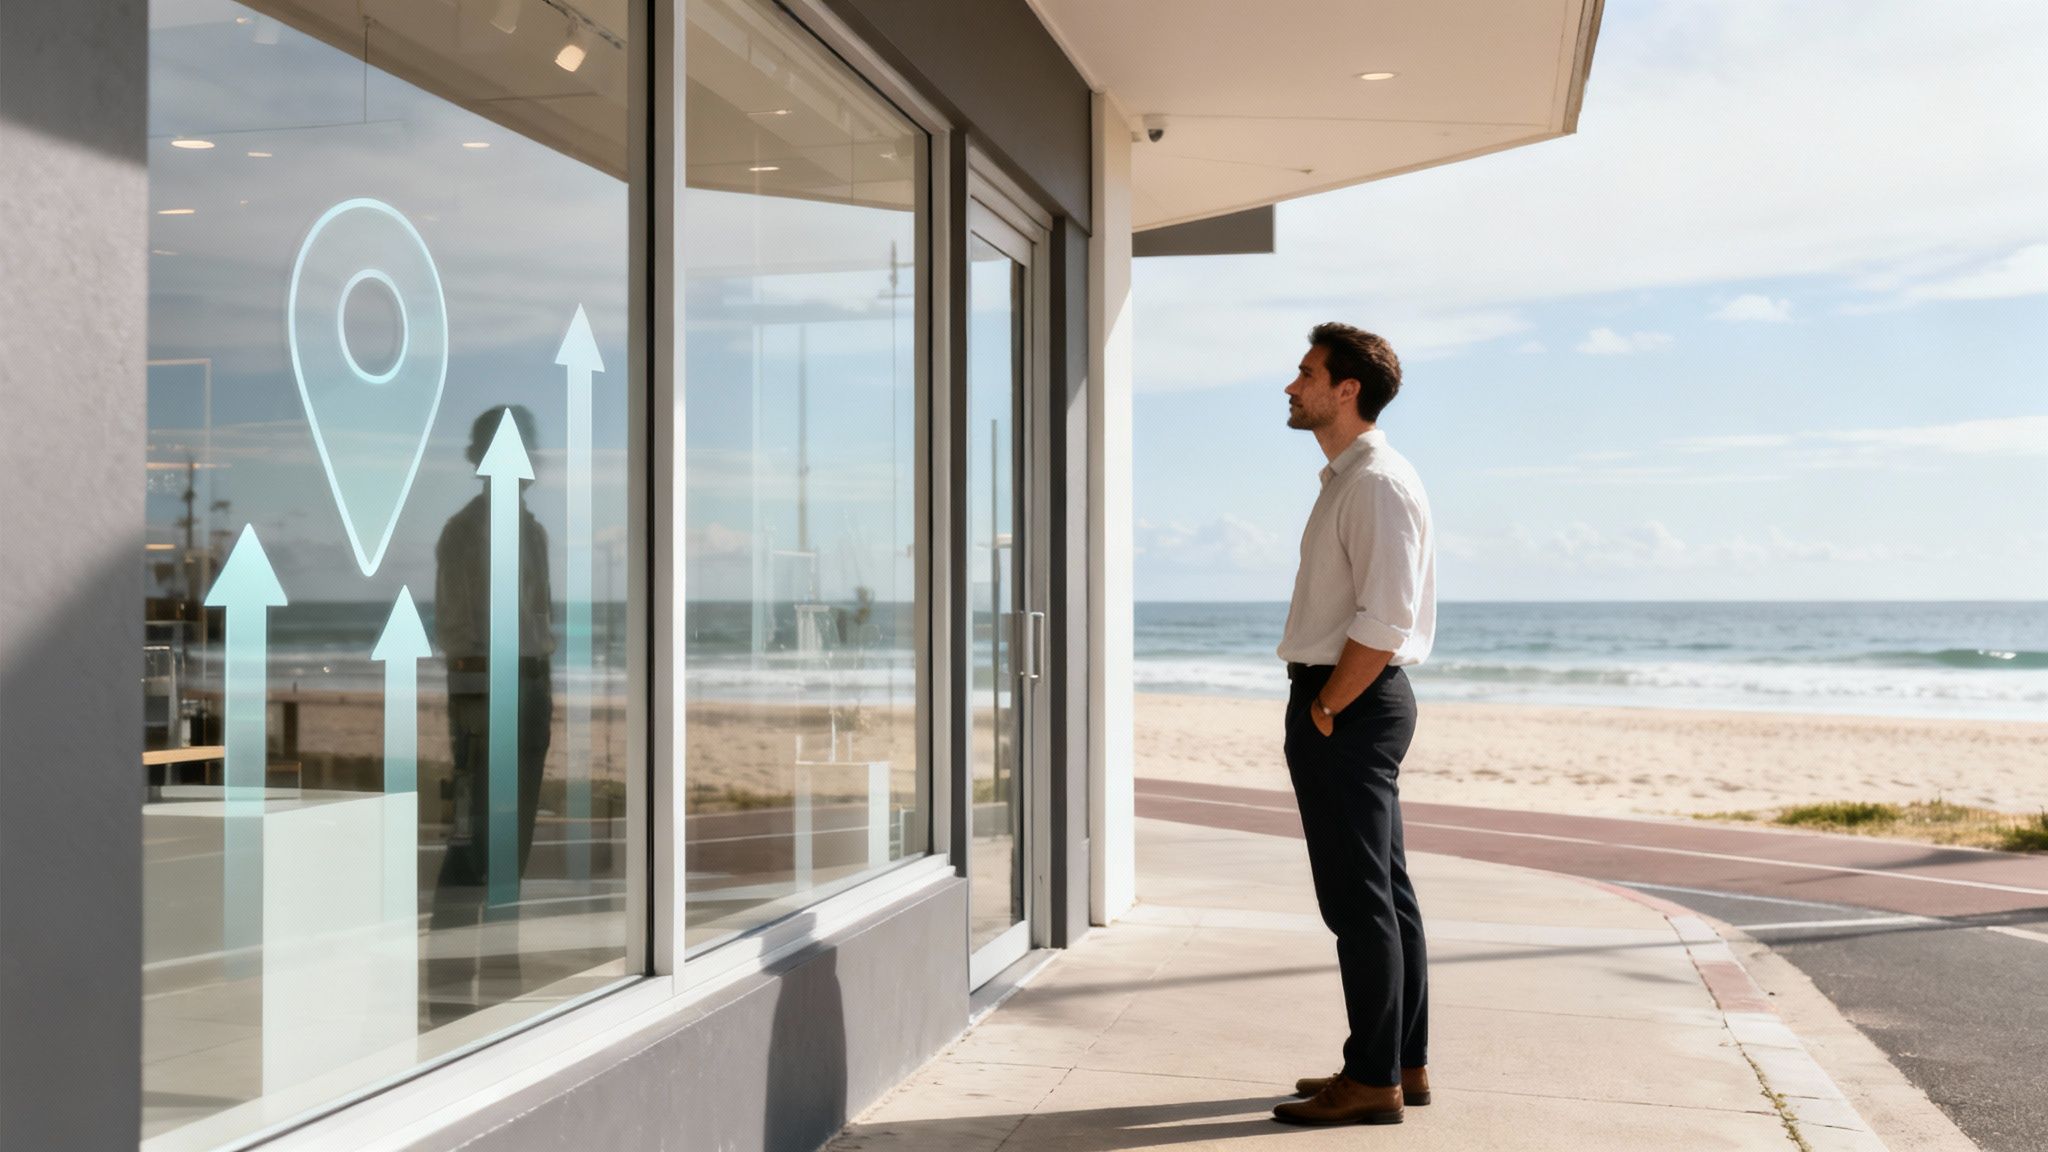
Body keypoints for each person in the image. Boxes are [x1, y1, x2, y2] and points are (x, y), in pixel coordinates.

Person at [1270, 323, 1437, 1126]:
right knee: (1385, 894)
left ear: (1348, 390)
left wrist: (1329, 704)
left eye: (1306, 374)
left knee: (1357, 900)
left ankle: (1372, 1081)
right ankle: (1400, 1061)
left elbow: (1386, 617)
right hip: (1350, 698)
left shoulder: (1375, 481)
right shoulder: (1347, 478)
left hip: (1351, 702)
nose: (1292, 385)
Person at [426, 404, 556, 1026]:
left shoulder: (534, 534)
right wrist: (475, 718)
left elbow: (542, 620)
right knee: (474, 846)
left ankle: (503, 997)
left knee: (513, 850)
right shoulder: (463, 532)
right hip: (487, 693)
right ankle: (450, 999)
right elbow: (457, 631)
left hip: (531, 689)